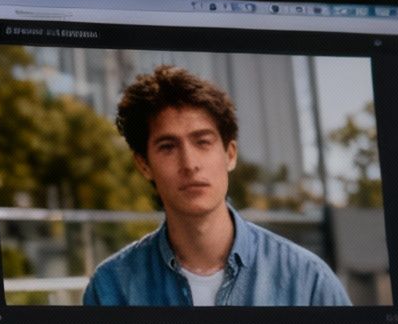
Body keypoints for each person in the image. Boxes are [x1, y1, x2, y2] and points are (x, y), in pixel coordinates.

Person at [83, 64, 350, 308]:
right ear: (144, 165)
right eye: (168, 147)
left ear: (230, 155)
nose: (190, 164)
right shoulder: (111, 288)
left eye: (203, 142)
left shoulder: (307, 281)